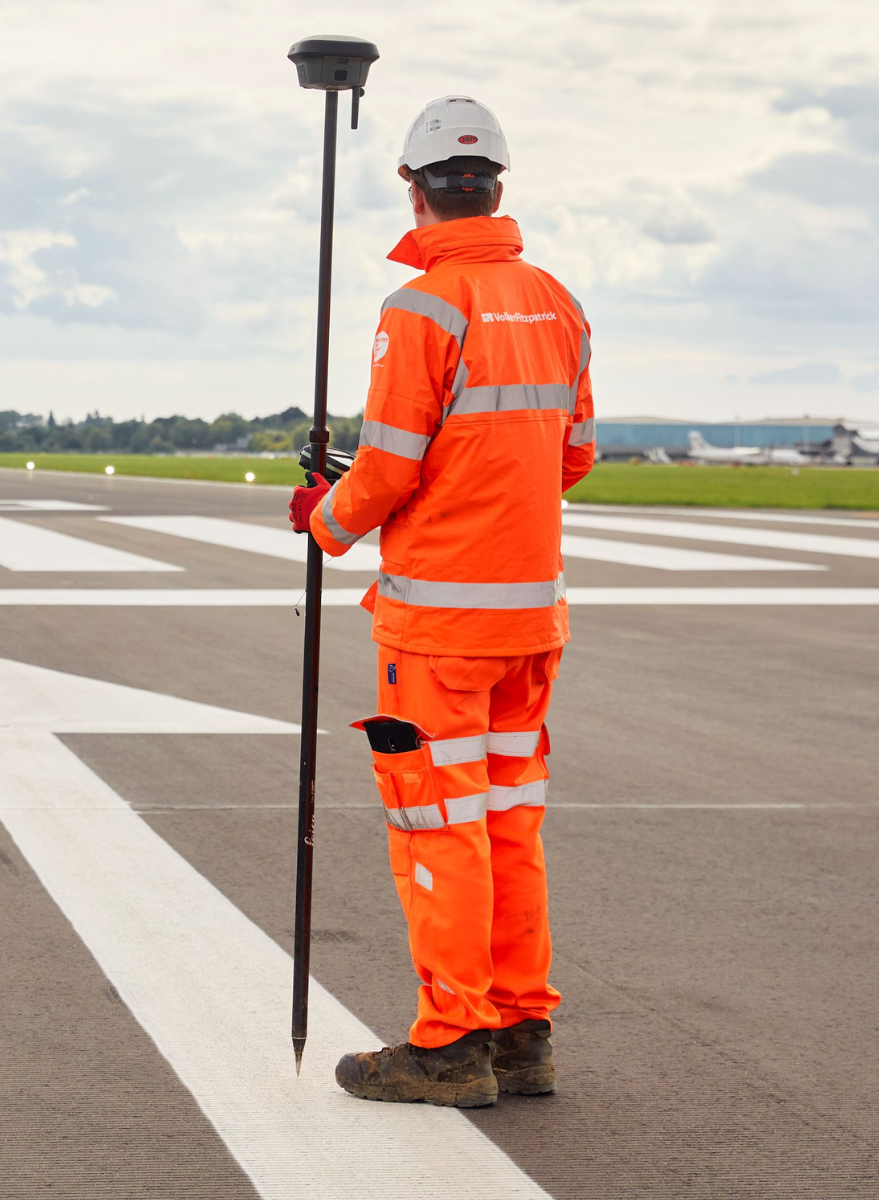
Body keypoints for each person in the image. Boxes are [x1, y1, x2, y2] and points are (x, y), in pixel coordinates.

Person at [287, 94, 595, 1108]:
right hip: (529, 625)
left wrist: (324, 519)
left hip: (436, 631)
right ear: (495, 187)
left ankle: (448, 1044)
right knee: (507, 825)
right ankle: (520, 1034)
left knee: (438, 830)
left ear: (414, 192)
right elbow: (573, 456)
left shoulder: (418, 309)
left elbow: (388, 467)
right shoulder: (555, 302)